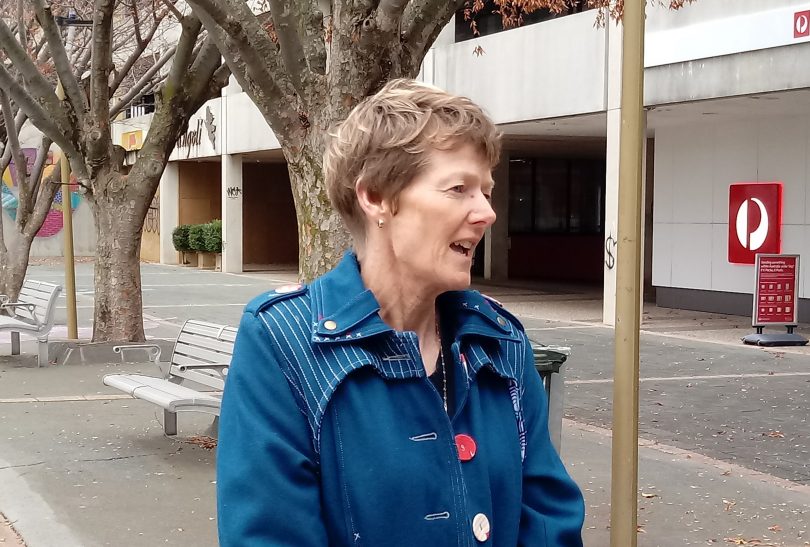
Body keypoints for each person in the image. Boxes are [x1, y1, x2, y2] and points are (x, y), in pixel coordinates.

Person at [217, 79, 585, 546]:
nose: (486, 212)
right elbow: (267, 533)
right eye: (459, 188)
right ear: (375, 197)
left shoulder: (499, 341)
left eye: (486, 191)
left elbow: (549, 522)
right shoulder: (285, 340)